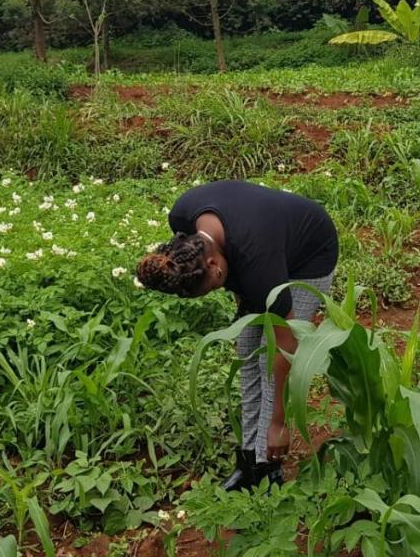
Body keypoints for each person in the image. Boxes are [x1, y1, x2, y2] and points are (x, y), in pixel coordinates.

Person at [136, 180, 339, 491]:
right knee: (247, 348)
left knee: (268, 361)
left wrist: (278, 424)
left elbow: (286, 346)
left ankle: (267, 466)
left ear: (215, 264)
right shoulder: (182, 218)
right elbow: (236, 272)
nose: (222, 289)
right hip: (261, 246)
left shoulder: (260, 263)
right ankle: (249, 461)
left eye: (216, 286)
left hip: (308, 254)